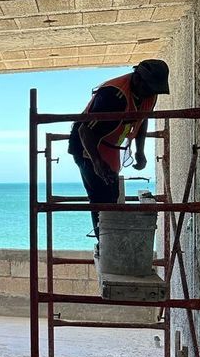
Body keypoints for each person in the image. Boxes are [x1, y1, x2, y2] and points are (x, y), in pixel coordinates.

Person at [68, 59, 170, 245]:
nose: (152, 93)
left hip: (109, 145)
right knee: (100, 197)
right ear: (137, 78)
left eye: (155, 89)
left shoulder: (149, 95)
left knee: (111, 195)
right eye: (149, 88)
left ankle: (111, 242)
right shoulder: (112, 95)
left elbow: (142, 118)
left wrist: (140, 151)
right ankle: (105, 245)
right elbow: (85, 131)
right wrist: (96, 162)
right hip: (86, 146)